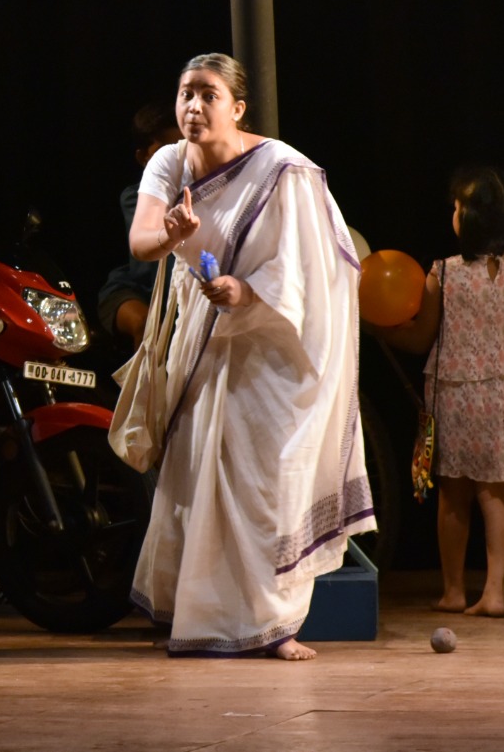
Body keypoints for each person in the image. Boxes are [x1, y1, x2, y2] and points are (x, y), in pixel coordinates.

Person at [125, 53, 373, 660]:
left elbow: (309, 266)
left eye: (208, 95)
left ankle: (275, 624)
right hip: (205, 334)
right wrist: (172, 236)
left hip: (273, 339)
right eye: (186, 93)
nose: (193, 106)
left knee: (265, 484)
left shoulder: (282, 170)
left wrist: (245, 291)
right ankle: (199, 613)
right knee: (200, 475)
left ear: (237, 108)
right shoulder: (168, 162)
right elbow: (141, 241)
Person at [369, 165, 504, 618]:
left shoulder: (445, 274)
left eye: (457, 206)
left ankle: (453, 591)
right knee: (498, 496)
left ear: (470, 218)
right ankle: (496, 592)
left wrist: (377, 328)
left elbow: (419, 338)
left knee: (454, 496)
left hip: (458, 394)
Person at [97, 100, 184, 351]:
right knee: (148, 322)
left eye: (184, 148)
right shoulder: (136, 197)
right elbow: (154, 271)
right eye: (166, 151)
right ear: (143, 157)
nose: (177, 159)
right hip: (147, 289)